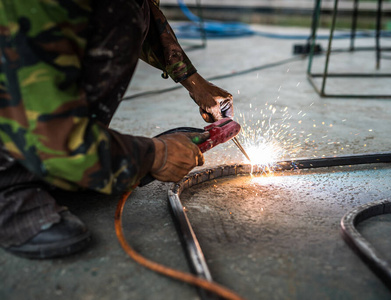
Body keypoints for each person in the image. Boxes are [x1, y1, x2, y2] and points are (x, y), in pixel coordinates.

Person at [0, 0, 233, 259]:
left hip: (47, 121)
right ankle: (10, 185)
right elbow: (48, 126)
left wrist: (193, 81)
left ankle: (88, 155)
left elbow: (145, 13)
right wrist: (154, 155)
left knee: (129, 7)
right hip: (35, 128)